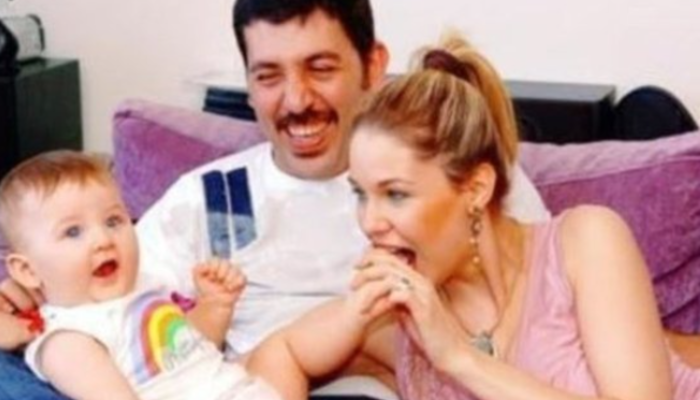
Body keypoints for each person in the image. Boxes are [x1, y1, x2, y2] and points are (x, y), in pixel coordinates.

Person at [0, 1, 549, 398]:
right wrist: (25, 293)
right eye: (268, 76)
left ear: (373, 65)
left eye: (321, 68)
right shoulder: (209, 197)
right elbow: (100, 288)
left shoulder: (454, 175)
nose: (296, 100)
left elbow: (536, 313)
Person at [342, 32, 700, 399]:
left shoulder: (586, 242)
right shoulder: (400, 322)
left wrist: (459, 359)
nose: (369, 222)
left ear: (476, 189)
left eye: (396, 194)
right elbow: (299, 349)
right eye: (360, 194)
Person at [0, 150, 390, 400]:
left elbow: (190, 349)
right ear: (26, 270)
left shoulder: (143, 289)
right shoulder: (68, 341)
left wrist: (215, 307)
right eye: (73, 232)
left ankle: (358, 308)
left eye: (114, 220)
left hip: (241, 388)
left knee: (293, 341)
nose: (103, 239)